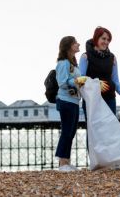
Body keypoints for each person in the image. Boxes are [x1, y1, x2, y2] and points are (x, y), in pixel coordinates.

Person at [79, 26, 120, 117]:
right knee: (93, 131)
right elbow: (80, 80)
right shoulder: (85, 57)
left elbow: (115, 80)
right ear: (96, 38)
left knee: (110, 130)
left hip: (110, 99)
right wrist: (95, 83)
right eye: (103, 38)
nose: (106, 42)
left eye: (108, 39)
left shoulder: (112, 58)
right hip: (92, 100)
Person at [55, 36, 81, 172]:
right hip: (65, 100)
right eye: (75, 42)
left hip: (75, 101)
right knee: (66, 131)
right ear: (69, 46)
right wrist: (77, 81)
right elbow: (62, 82)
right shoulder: (63, 63)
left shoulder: (73, 63)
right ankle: (62, 163)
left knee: (71, 132)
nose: (78, 44)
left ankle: (66, 162)